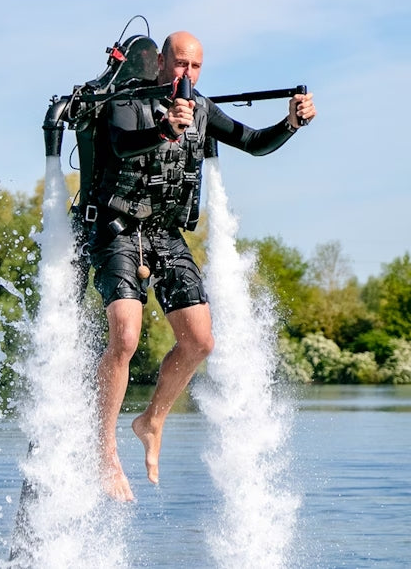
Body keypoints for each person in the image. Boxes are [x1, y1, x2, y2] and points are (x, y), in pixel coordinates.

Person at [88, 31, 316, 501]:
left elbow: (252, 142)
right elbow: (122, 144)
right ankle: (103, 450)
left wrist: (289, 124)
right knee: (126, 335)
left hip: (165, 234)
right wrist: (167, 128)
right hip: (120, 227)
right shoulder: (127, 101)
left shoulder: (203, 109)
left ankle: (151, 420)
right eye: (179, 64)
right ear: (160, 63)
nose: (186, 75)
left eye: (195, 67)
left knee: (200, 340)